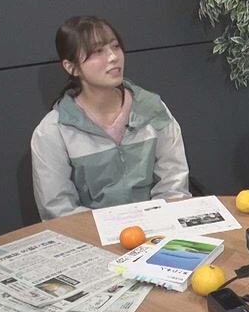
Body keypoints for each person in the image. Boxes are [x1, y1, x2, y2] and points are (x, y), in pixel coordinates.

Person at [31, 15, 190, 220]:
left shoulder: (152, 109)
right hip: (92, 236)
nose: (113, 57)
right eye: (98, 51)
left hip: (160, 229)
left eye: (115, 46)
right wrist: (115, 229)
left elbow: (174, 187)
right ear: (71, 67)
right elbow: (60, 211)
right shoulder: (53, 131)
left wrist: (156, 225)